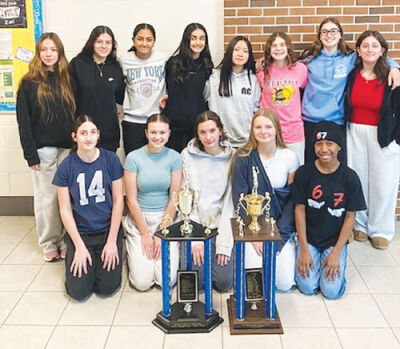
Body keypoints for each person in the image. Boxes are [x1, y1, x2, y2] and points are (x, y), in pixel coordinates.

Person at [300, 17, 400, 163]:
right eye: (325, 31)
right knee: (311, 163)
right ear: (320, 36)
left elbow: (375, 57)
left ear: (340, 35)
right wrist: (261, 63)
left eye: (334, 31)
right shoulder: (308, 58)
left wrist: (395, 67)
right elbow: (286, 64)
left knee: (336, 165)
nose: (329, 35)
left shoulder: (349, 58)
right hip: (310, 119)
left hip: (336, 120)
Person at [16, 32, 75, 262]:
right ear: (39, 53)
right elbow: (24, 122)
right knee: (47, 199)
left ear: (59, 53)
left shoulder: (67, 79)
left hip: (67, 149)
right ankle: (49, 242)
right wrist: (31, 155)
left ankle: (64, 239)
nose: (49, 54)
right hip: (44, 151)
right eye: (44, 50)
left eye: (53, 49)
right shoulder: (29, 83)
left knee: (66, 198)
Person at [53, 115, 124, 301]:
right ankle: (78, 256)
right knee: (78, 292)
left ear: (98, 135)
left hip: (107, 231)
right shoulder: (66, 167)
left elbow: (118, 201)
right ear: (74, 137)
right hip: (81, 233)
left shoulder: (111, 160)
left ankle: (105, 255)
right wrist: (79, 246)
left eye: (93, 132)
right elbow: (65, 210)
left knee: (107, 288)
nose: (88, 137)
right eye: (83, 133)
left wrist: (111, 242)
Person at [292, 121, 366, 299]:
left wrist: (336, 252)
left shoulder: (350, 177)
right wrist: (303, 249)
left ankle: (334, 272)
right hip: (309, 238)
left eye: (329, 143)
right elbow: (299, 210)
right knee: (308, 287)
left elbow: (350, 217)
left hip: (334, 240)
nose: (324, 149)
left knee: (331, 292)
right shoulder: (304, 173)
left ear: (339, 147)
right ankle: (314, 264)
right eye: (319, 144)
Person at [231, 109, 299, 291]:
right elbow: (239, 200)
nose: (263, 131)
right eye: (258, 127)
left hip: (279, 226)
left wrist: (281, 237)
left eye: (268, 126)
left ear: (277, 129)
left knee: (284, 283)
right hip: (253, 228)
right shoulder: (242, 158)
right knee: (253, 282)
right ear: (252, 130)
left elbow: (292, 200)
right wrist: (254, 237)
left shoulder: (289, 157)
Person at [346, 31, 400, 250]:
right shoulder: (352, 74)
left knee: (383, 182)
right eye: (365, 46)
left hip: (383, 134)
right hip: (355, 132)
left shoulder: (392, 76)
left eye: (374, 46)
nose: (370, 49)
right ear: (358, 50)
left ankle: (380, 230)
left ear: (382, 51)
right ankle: (360, 224)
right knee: (358, 178)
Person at [123, 113, 182, 291]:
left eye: (162, 132)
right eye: (153, 132)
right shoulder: (134, 158)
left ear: (169, 133)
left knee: (166, 281)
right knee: (142, 283)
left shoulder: (174, 158)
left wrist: (160, 233)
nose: (158, 137)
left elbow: (174, 197)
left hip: (165, 219)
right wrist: (146, 234)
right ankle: (132, 246)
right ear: (146, 133)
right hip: (140, 219)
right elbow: (131, 200)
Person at [181, 111, 234, 292]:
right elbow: (186, 198)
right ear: (197, 134)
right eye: (203, 132)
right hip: (196, 222)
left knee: (224, 283)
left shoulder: (233, 157)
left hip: (221, 225)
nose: (208, 136)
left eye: (212, 130)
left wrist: (224, 245)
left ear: (220, 130)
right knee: (198, 283)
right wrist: (195, 239)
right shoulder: (187, 156)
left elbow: (230, 204)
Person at [70, 25, 125, 152]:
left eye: (108, 42)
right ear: (92, 43)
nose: (104, 46)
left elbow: (120, 97)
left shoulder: (115, 67)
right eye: (99, 42)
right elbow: (69, 96)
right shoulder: (77, 64)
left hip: (109, 134)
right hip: (84, 133)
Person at [257, 32, 308, 164]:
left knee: (296, 170)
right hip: (268, 130)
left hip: (293, 130)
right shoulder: (262, 71)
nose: (278, 48)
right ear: (269, 49)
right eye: (274, 45)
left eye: (282, 45)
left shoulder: (300, 69)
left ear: (288, 48)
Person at [163, 23, 213, 152]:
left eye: (202, 38)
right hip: (174, 125)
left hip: (196, 125)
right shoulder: (173, 63)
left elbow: (206, 93)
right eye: (194, 38)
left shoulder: (207, 64)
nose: (198, 42)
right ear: (187, 40)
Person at [120, 23, 168, 155]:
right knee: (133, 163)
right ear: (133, 40)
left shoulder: (163, 58)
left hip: (156, 120)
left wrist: (169, 96)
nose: (144, 43)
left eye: (149, 39)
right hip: (132, 122)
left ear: (154, 42)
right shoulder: (124, 60)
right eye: (140, 39)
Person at [205, 36, 260, 148]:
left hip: (246, 142)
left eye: (245, 51)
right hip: (220, 141)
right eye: (236, 49)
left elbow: (256, 110)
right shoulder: (214, 77)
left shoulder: (253, 80)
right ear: (229, 52)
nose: (240, 54)